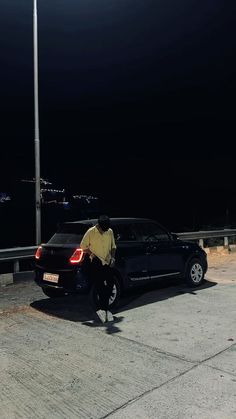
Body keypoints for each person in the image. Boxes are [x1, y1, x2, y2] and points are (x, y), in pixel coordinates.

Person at [80, 215, 116, 323]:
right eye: (103, 229)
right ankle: (104, 310)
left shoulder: (109, 231)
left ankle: (103, 310)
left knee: (110, 284)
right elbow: (83, 246)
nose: (105, 231)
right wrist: (91, 254)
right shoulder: (91, 232)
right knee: (100, 286)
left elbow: (113, 246)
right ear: (99, 226)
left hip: (107, 261)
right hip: (95, 262)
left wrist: (113, 258)